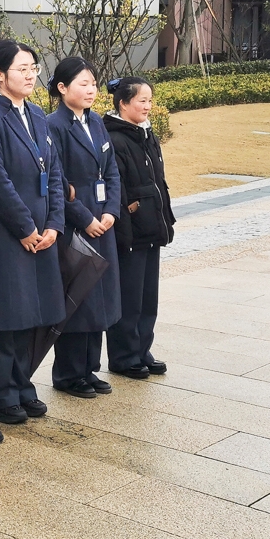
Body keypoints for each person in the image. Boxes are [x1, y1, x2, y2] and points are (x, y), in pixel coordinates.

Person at [0, 40, 65, 424]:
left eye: (33, 67)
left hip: (42, 231)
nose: (30, 75)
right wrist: (26, 227)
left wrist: (55, 223)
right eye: (21, 69)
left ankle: (22, 385)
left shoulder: (39, 115)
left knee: (32, 314)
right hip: (7, 232)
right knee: (3, 316)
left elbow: (55, 173)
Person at [45, 58, 122, 398]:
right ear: (62, 89)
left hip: (102, 223)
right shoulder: (54, 126)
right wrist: (85, 218)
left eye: (93, 83)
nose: (91, 90)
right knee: (78, 300)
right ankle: (68, 373)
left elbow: (113, 172)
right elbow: (56, 182)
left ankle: (90, 368)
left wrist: (111, 212)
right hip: (77, 225)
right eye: (83, 84)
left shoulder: (97, 123)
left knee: (100, 298)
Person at [103, 77, 172, 380]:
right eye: (141, 100)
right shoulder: (115, 138)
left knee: (147, 298)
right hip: (130, 229)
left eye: (149, 100)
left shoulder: (147, 134)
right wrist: (125, 226)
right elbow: (116, 189)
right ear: (123, 103)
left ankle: (143, 350)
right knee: (129, 298)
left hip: (151, 226)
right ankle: (124, 356)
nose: (147, 106)